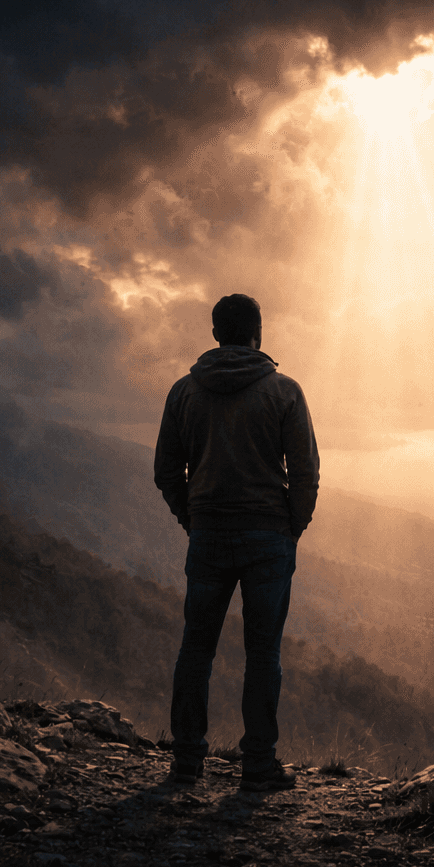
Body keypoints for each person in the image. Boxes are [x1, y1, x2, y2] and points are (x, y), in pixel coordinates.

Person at [153, 293, 320, 792]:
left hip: (208, 535)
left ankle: (186, 761)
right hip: (268, 536)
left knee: (196, 647)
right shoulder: (285, 391)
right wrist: (292, 526)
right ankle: (259, 764)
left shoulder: (184, 392)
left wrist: (192, 516)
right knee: (263, 653)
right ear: (258, 333)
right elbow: (305, 471)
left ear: (214, 334)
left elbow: (166, 471)